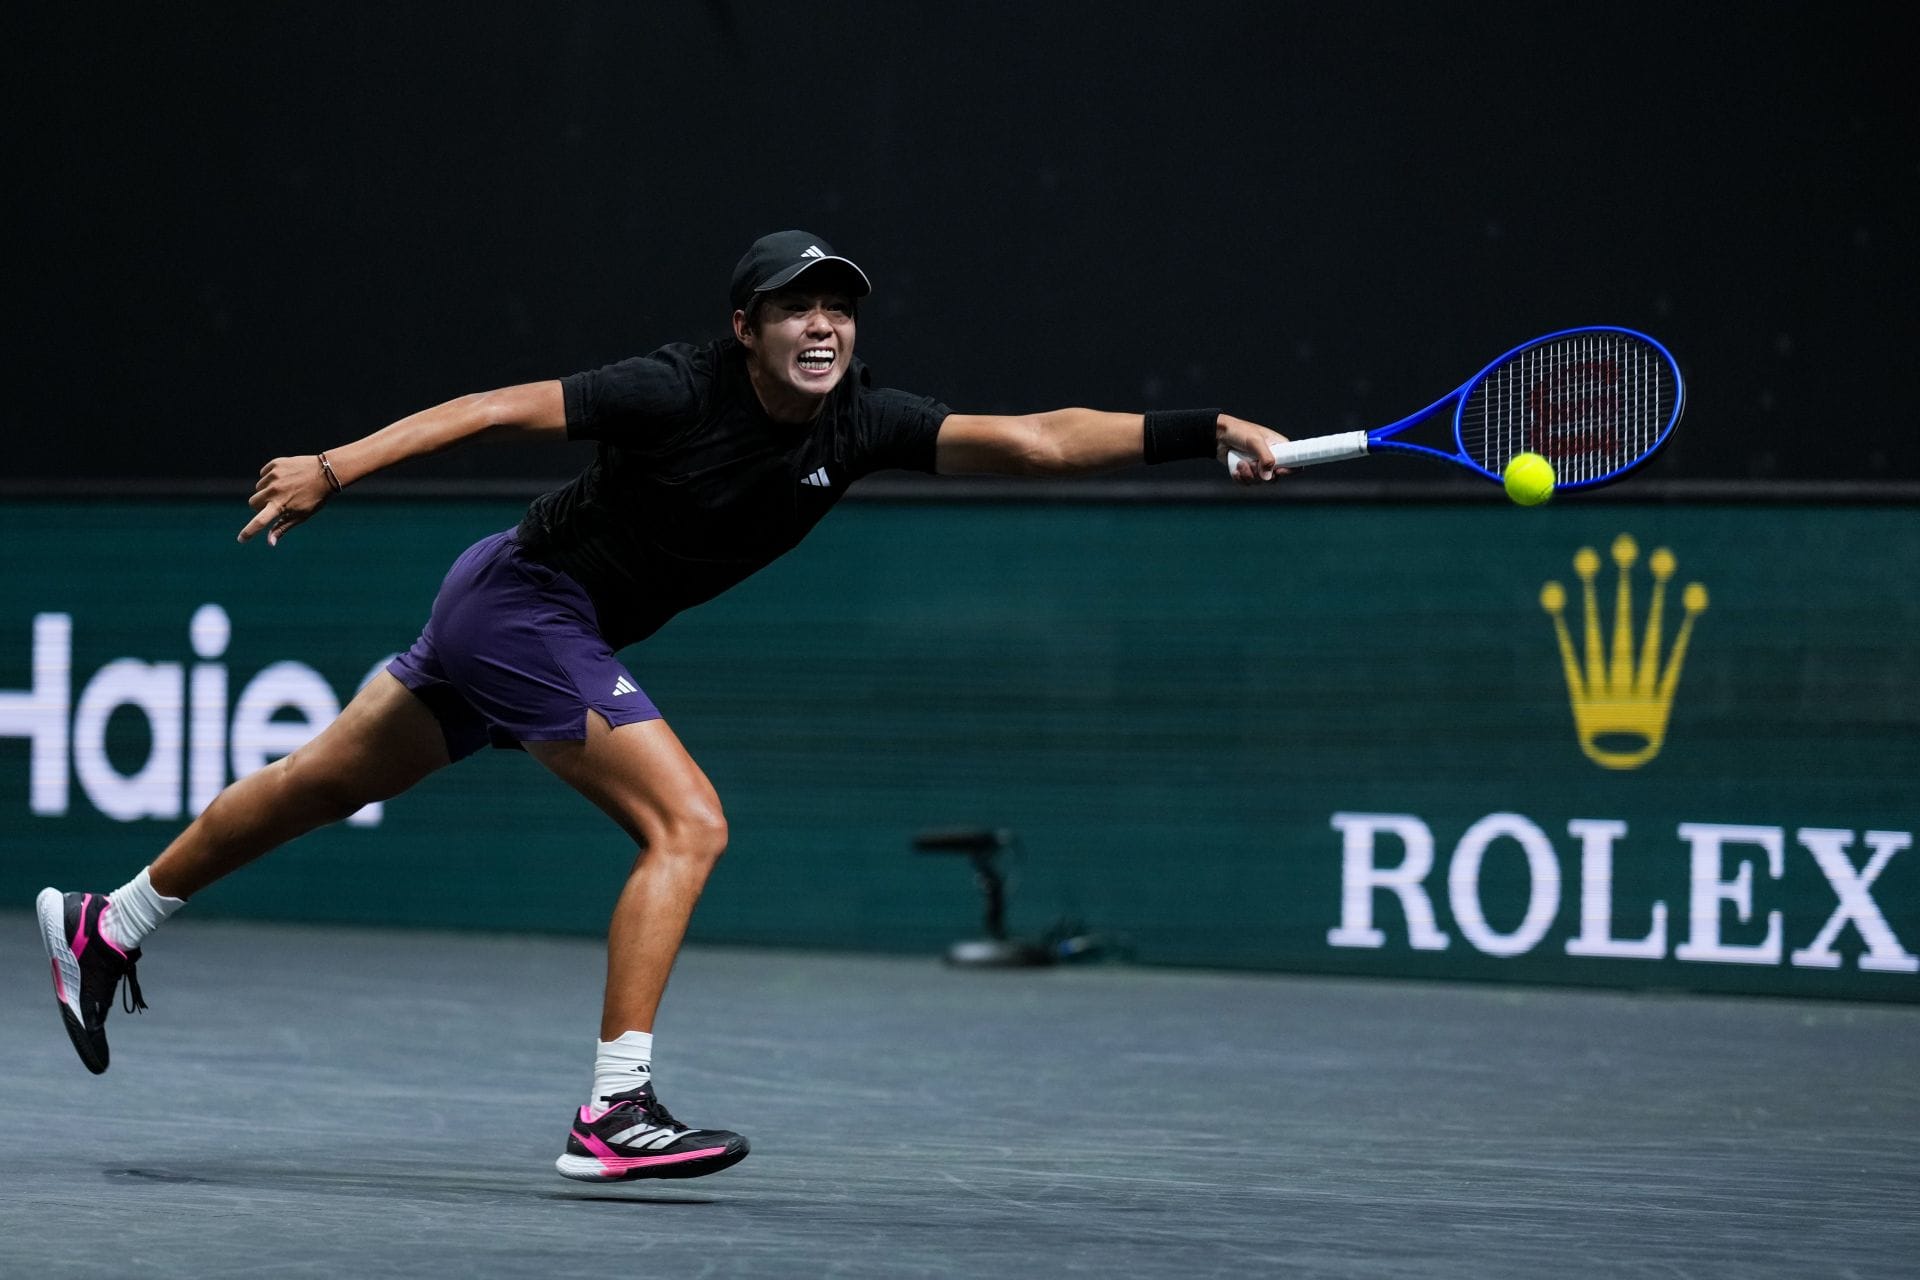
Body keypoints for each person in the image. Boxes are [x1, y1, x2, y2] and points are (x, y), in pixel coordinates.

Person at [36, 230, 1291, 1183]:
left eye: (839, 307)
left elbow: (1038, 440)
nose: (824, 325)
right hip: (524, 602)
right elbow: (490, 409)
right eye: (797, 305)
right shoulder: (671, 388)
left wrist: (1208, 425)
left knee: (320, 784)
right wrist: (333, 468)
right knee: (689, 823)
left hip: (515, 608)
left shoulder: (861, 426)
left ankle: (112, 920)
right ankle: (614, 1111)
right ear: (745, 327)